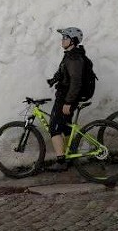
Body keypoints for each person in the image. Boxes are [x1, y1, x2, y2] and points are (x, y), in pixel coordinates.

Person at [45, 27, 86, 172]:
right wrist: (54, 79)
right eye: (62, 38)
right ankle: (70, 155)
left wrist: (68, 102)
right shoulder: (70, 55)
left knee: (54, 128)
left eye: (65, 38)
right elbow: (65, 73)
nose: (62, 40)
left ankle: (61, 161)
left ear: (73, 41)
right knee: (66, 127)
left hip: (66, 98)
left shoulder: (74, 58)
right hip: (65, 96)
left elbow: (76, 82)